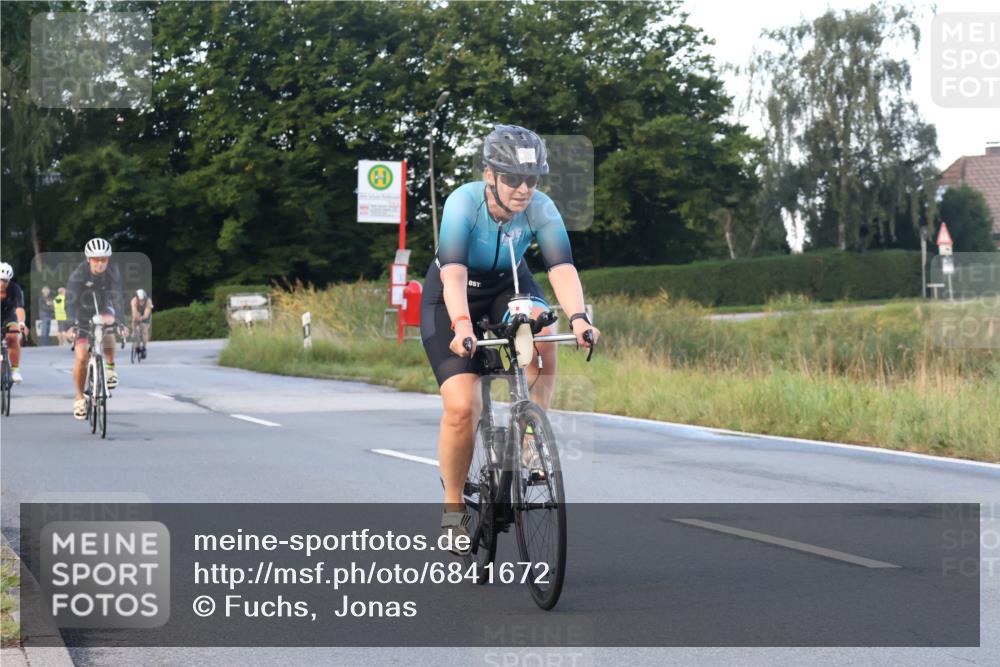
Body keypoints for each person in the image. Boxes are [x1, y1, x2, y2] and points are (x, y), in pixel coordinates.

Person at [419, 125, 600, 552]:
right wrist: (463, 326)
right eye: (513, 179)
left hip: (508, 286)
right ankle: (452, 510)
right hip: (453, 295)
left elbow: (561, 268)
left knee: (547, 328)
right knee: (464, 406)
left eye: (532, 179)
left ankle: (531, 441)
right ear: (489, 175)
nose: (523, 189)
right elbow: (456, 273)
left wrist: (578, 317)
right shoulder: (463, 204)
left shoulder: (540, 207)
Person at [66, 238, 125, 420]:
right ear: (88, 259)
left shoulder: (113, 272)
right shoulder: (79, 274)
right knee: (82, 357)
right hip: (81, 312)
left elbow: (117, 298)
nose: (100, 263)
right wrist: (69, 325)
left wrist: (121, 322)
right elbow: (69, 301)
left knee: (108, 325)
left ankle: (109, 368)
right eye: (96, 259)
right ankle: (79, 398)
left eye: (104, 260)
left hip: (104, 307)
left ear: (108, 260)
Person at [0, 262, 28, 383]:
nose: (2, 284)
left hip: (8, 316)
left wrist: (21, 323)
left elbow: (19, 308)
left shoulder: (15, 289)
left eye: (5, 281)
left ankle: (15, 370)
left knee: (13, 336)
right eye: (0, 280)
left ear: (9, 281)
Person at [130, 289, 153, 358]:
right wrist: (136, 317)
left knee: (145, 330)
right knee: (134, 319)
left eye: (142, 300)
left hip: (146, 314)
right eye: (139, 300)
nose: (141, 301)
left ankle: (144, 347)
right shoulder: (133, 301)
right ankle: (134, 331)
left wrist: (143, 318)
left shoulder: (148, 301)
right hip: (138, 312)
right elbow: (134, 311)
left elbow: (146, 314)